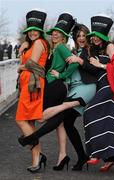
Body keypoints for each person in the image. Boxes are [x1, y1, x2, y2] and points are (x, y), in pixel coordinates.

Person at [18, 23, 98, 171]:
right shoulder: (60, 49)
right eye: (53, 32)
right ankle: (76, 156)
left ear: (64, 36)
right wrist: (24, 47)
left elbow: (77, 66)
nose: (55, 34)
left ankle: (30, 139)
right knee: (65, 123)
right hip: (68, 87)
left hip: (71, 87)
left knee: (46, 117)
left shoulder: (68, 48)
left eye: (58, 33)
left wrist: (62, 75)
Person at [82, 15, 114, 172]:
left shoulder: (110, 47)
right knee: (110, 122)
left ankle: (95, 154)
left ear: (103, 36)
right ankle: (111, 158)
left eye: (97, 36)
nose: (94, 38)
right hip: (101, 87)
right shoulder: (96, 49)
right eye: (93, 36)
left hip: (110, 87)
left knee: (89, 112)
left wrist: (100, 64)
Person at [15, 9, 49, 173]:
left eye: (36, 30)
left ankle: (38, 154)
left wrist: (20, 67)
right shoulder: (31, 44)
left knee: (21, 120)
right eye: (30, 30)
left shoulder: (39, 43)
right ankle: (36, 157)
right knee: (28, 123)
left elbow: (31, 64)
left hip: (32, 86)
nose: (33, 32)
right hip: (28, 85)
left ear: (40, 31)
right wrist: (23, 49)